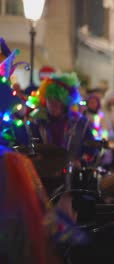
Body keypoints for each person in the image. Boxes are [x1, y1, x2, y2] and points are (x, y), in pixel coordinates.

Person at [0, 37, 83, 264]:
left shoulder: (77, 123)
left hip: (64, 176)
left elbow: (84, 147)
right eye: (50, 101)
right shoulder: (34, 121)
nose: (52, 106)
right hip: (37, 175)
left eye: (57, 102)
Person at [28, 73, 97, 164]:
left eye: (57, 100)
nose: (53, 104)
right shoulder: (38, 122)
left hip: (72, 174)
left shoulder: (80, 123)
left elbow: (92, 152)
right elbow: (29, 148)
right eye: (50, 100)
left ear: (66, 102)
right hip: (43, 173)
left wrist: (81, 162)